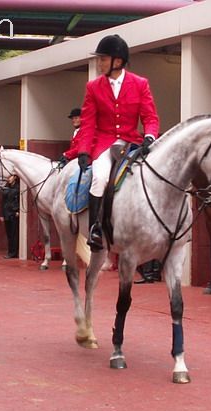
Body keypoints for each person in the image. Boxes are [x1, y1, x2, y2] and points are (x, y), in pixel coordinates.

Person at [64, 34, 160, 251]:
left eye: (103, 59)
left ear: (117, 61)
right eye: (99, 60)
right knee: (99, 177)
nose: (99, 64)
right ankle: (95, 229)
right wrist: (83, 151)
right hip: (105, 144)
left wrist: (150, 135)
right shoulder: (93, 87)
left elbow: (150, 117)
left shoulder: (140, 84)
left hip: (132, 142)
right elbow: (88, 124)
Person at [0, 174, 20, 259]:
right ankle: (10, 251)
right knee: (9, 234)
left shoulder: (18, 188)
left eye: (10, 177)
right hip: (7, 213)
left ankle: (13, 252)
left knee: (14, 234)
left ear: (14, 177)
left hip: (14, 213)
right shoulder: (6, 188)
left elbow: (19, 200)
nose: (8, 179)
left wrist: (18, 210)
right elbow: (3, 202)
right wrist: (2, 214)